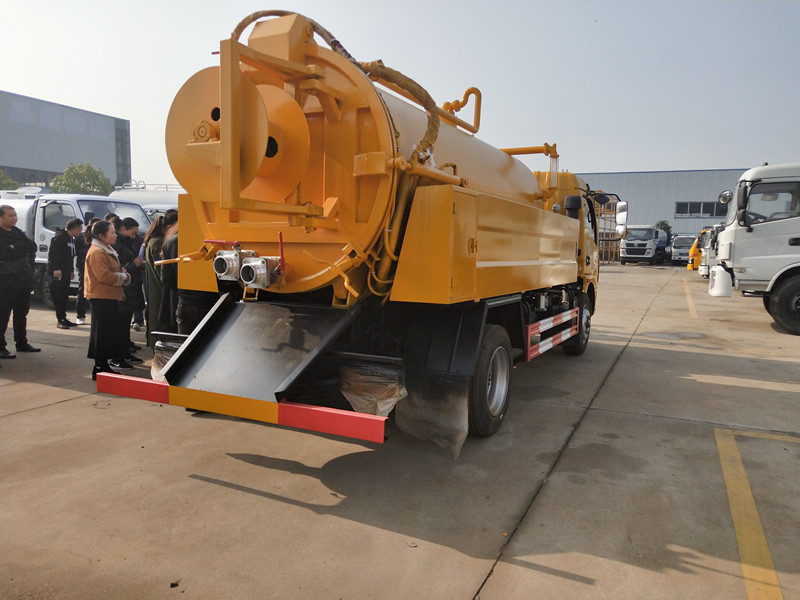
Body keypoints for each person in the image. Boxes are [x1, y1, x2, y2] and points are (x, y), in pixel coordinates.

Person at [84, 220, 131, 379]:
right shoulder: (97, 251)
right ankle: (99, 367)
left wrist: (122, 274)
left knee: (107, 333)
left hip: (108, 296)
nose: (115, 235)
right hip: (101, 297)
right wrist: (122, 276)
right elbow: (103, 275)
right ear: (101, 236)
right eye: (112, 233)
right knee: (101, 334)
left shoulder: (107, 249)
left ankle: (103, 365)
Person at [0, 204, 41, 358]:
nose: (14, 218)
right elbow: (4, 252)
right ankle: (1, 347)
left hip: (22, 280)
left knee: (21, 313)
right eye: (10, 216)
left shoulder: (16, 232)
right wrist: (16, 250)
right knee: (3, 315)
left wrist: (14, 248)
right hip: (5, 281)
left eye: (15, 215)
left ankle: (21, 342)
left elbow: (32, 246)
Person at [142, 210, 177, 347]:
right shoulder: (158, 243)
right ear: (169, 227)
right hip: (159, 293)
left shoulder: (154, 241)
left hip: (156, 292)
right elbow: (162, 272)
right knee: (161, 328)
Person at [113, 217, 145, 363]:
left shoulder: (127, 243)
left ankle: (125, 350)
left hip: (131, 288)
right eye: (132, 233)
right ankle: (119, 354)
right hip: (124, 290)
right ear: (123, 229)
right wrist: (133, 265)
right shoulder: (117, 246)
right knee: (120, 325)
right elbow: (118, 268)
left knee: (125, 324)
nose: (134, 237)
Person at [47, 218, 83, 329]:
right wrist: (55, 268)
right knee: (58, 296)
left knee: (64, 296)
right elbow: (53, 254)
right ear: (75, 228)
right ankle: (60, 319)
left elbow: (70, 256)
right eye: (80, 229)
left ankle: (64, 318)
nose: (80, 231)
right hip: (58, 272)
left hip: (66, 271)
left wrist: (71, 270)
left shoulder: (70, 239)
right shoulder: (59, 237)